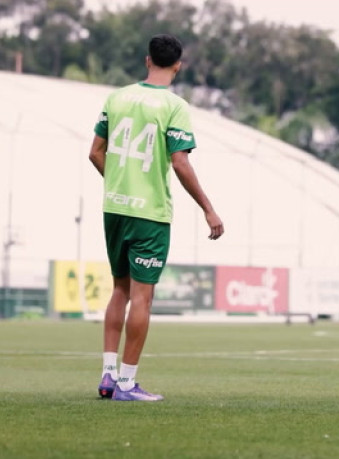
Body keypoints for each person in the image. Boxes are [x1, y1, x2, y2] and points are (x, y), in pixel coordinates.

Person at [89, 34, 224, 402]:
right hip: (149, 213)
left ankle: (107, 373)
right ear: (177, 65)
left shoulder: (116, 98)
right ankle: (128, 385)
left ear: (148, 60)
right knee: (142, 297)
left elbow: (95, 153)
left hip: (114, 207)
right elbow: (180, 162)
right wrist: (208, 208)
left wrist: (121, 182)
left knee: (119, 289)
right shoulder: (174, 106)